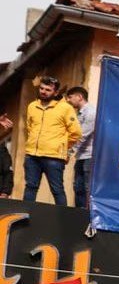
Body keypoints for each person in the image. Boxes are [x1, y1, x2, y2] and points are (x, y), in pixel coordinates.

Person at [20, 76, 80, 207]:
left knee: (57, 190)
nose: (43, 91)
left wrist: (62, 146)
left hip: (54, 157)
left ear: (56, 92)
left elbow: (75, 133)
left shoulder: (65, 108)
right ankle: (25, 217)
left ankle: (63, 220)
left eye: (48, 90)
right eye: (41, 88)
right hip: (32, 156)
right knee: (30, 187)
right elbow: (30, 127)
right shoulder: (32, 106)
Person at [64, 86, 94, 213]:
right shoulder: (79, 114)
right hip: (81, 156)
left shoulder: (91, 112)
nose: (68, 100)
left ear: (79, 97)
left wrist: (69, 152)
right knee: (78, 187)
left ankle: (87, 215)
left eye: (70, 97)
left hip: (90, 156)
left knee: (88, 187)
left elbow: (82, 136)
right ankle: (78, 214)